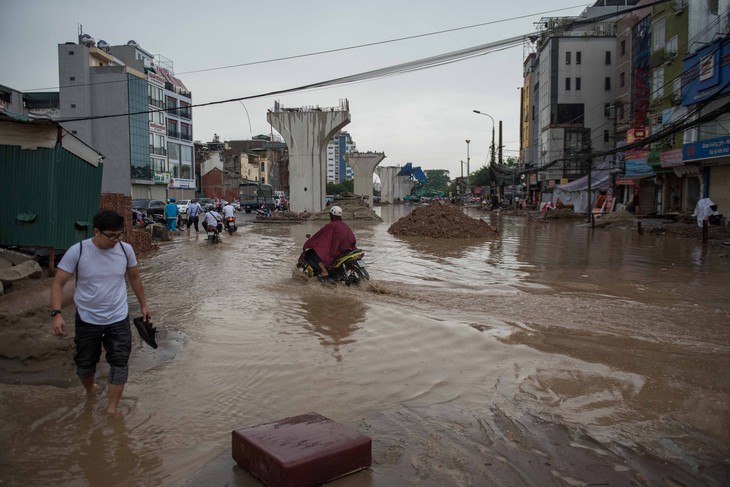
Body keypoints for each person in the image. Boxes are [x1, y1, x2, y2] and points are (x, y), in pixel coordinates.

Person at [50, 209, 151, 414]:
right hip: (88, 318)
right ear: (96, 232)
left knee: (120, 361)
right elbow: (58, 283)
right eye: (111, 236)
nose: (116, 240)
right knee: (85, 364)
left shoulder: (125, 250)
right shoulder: (78, 251)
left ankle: (111, 409)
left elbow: (134, 278)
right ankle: (90, 388)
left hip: (118, 316)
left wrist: (143, 304)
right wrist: (57, 313)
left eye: (119, 235)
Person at [302, 206, 356, 280]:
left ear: (332, 215)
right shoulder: (344, 225)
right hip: (346, 249)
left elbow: (320, 236)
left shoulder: (332, 225)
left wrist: (310, 242)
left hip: (337, 251)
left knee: (313, 253)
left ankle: (324, 271)